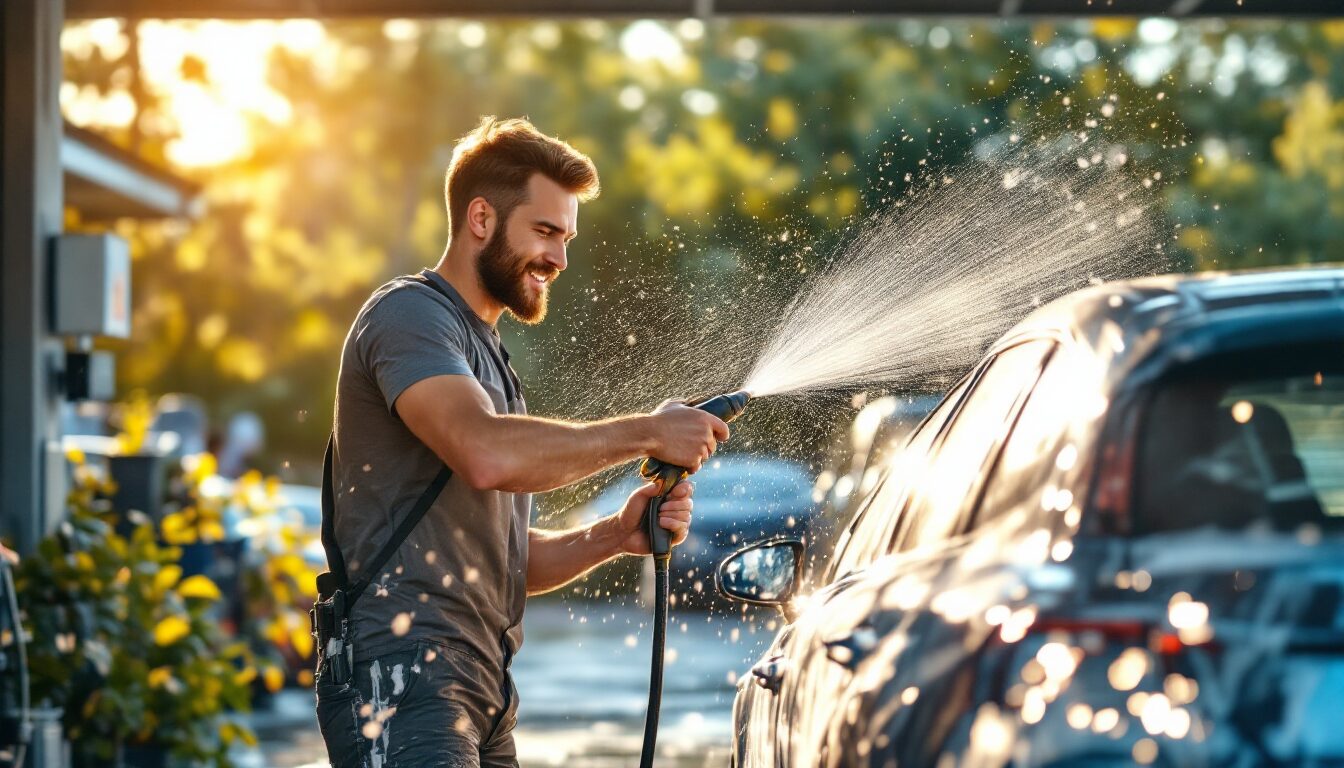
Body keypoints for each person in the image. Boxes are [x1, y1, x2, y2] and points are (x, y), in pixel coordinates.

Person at [315, 116, 729, 768]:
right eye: (544, 231)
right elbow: (486, 453)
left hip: (480, 684)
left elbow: (505, 564)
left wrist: (615, 535)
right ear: (480, 218)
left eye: (566, 238)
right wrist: (649, 429)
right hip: (404, 669)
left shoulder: (490, 361)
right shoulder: (408, 316)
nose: (560, 258)